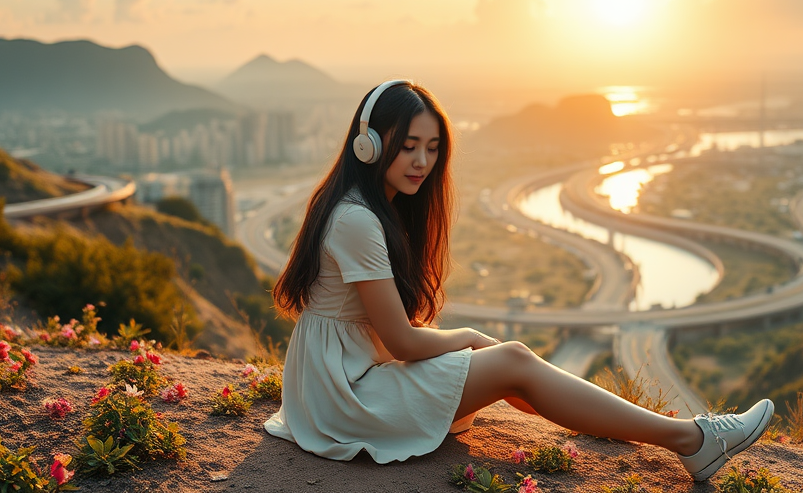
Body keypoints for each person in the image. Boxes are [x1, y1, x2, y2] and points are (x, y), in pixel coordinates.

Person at [263, 80, 774, 481]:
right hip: (345, 398)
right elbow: (400, 340)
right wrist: (465, 339)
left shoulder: (371, 208)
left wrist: (467, 353)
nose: (422, 162)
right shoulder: (357, 220)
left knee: (513, 364)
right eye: (408, 146)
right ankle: (692, 439)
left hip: (342, 382)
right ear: (370, 145)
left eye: (433, 148)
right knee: (513, 360)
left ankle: (636, 427)